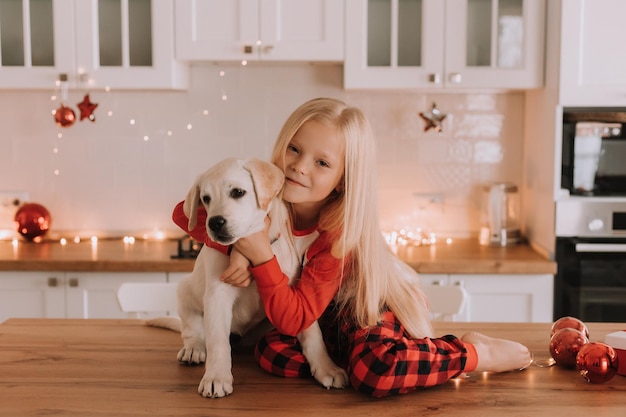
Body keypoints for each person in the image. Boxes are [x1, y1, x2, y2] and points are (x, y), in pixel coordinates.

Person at [172, 97, 532, 397]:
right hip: (315, 313)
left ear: (344, 179)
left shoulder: (338, 234)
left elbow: (295, 315)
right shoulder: (264, 191)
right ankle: (353, 357)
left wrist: (258, 253)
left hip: (365, 303)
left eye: (322, 162)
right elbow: (186, 213)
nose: (298, 167)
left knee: (374, 371)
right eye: (294, 149)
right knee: (269, 353)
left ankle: (473, 353)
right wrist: (241, 242)